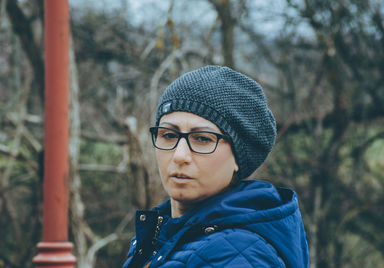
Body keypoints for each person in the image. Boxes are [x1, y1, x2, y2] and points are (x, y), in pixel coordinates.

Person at [123, 65, 309, 267]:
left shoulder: (239, 256)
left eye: (202, 138)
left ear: (238, 158)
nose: (180, 155)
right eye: (169, 135)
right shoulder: (163, 236)